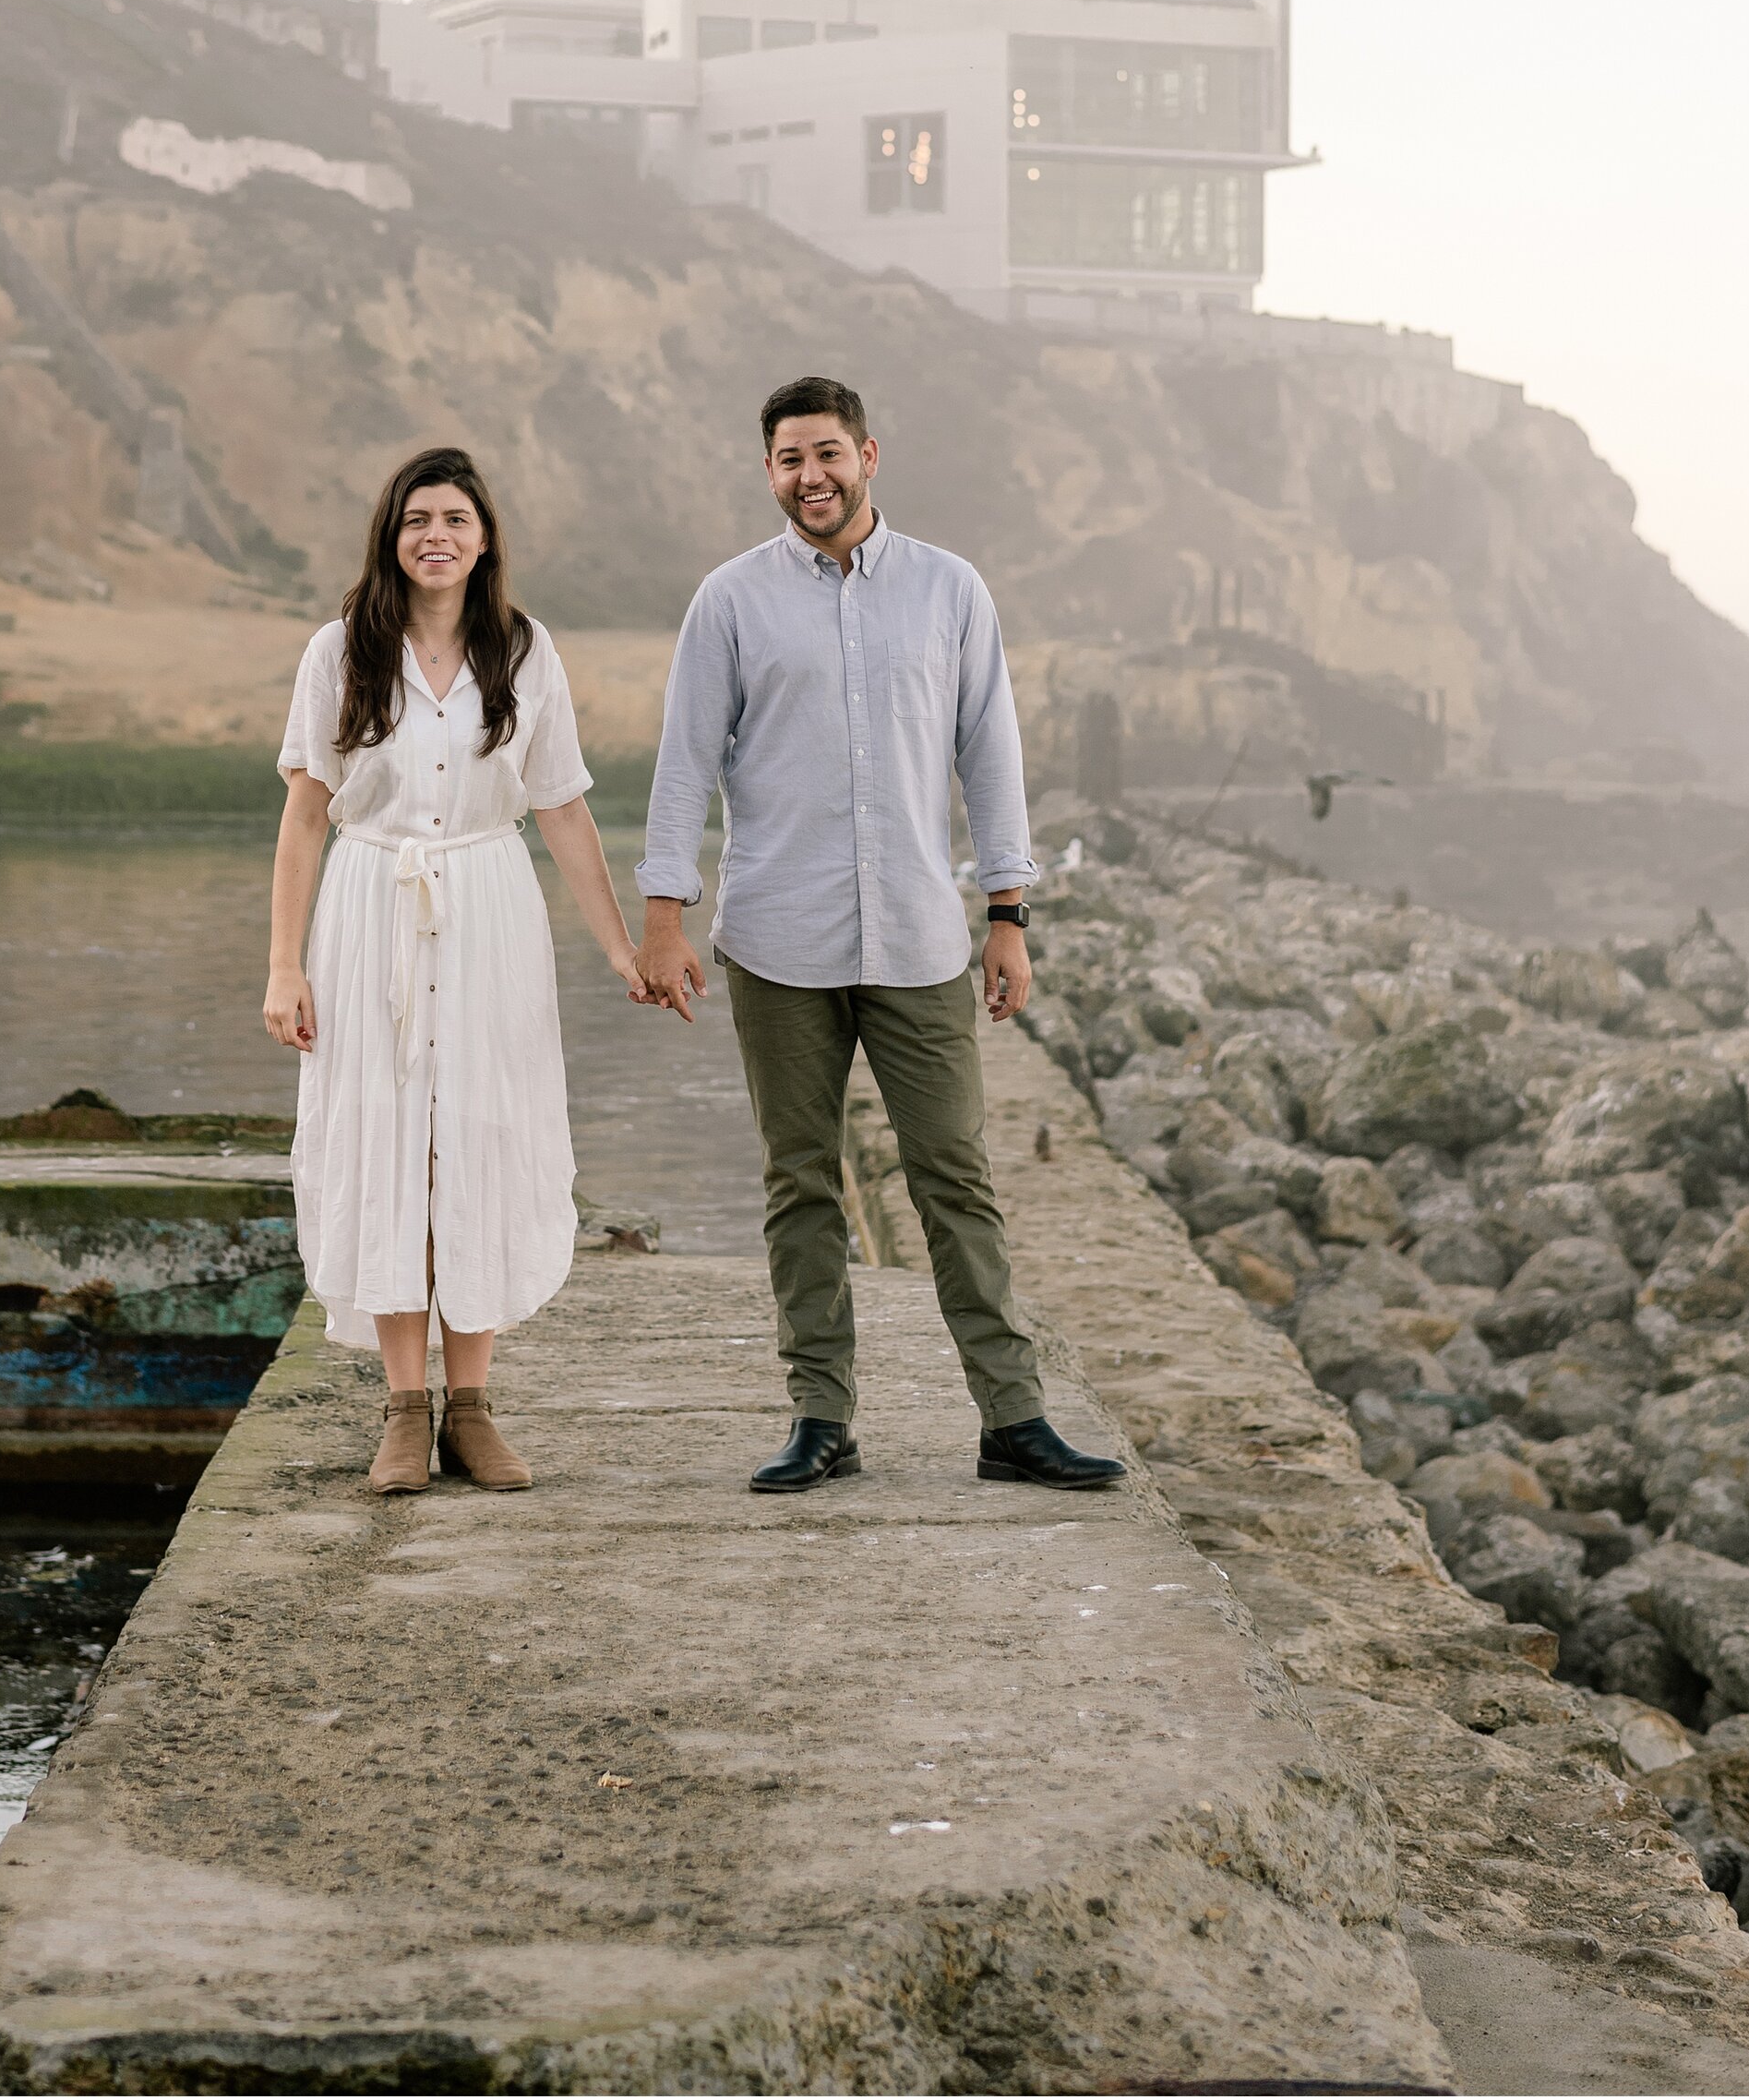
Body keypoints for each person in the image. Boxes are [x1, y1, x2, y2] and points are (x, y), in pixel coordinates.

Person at [636, 375, 1124, 1497]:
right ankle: (821, 1416)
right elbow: (682, 765)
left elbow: (990, 757)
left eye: (826, 453)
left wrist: (1008, 916)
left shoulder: (950, 590)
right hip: (775, 937)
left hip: (917, 935)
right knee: (797, 1181)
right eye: (787, 459)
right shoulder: (730, 600)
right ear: (769, 472)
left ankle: (1013, 1420)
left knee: (956, 1176)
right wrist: (665, 916)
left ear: (867, 453)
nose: (809, 476)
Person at [267, 444, 649, 1495]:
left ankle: (471, 1407)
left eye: (456, 519)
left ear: (484, 540)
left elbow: (562, 806)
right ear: (391, 537)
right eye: (416, 518)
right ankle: (402, 1408)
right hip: (370, 908)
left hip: (487, 910)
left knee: (476, 1136)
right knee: (387, 1141)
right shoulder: (339, 650)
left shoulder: (524, 653)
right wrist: (282, 967)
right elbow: (305, 818)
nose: (436, 534)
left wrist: (619, 945)